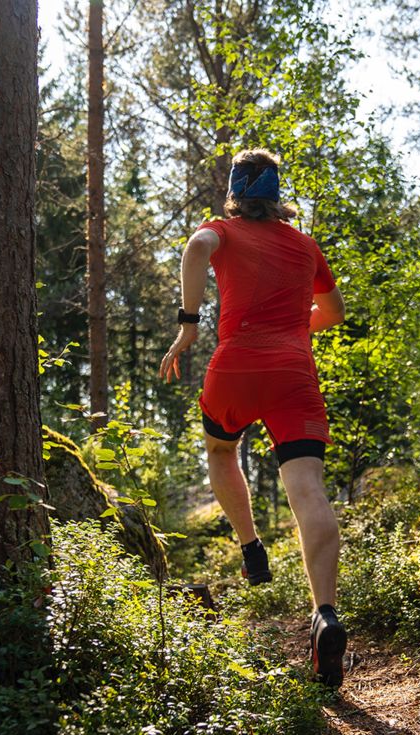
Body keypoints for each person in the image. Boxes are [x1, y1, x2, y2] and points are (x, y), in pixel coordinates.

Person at [158, 148, 348, 689]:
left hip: (235, 365)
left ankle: (251, 547)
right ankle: (326, 614)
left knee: (221, 450)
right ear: (276, 195)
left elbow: (197, 246)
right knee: (308, 488)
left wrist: (189, 325)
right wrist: (291, 331)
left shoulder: (222, 229)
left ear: (236, 193)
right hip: (294, 373)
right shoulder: (306, 246)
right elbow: (333, 313)